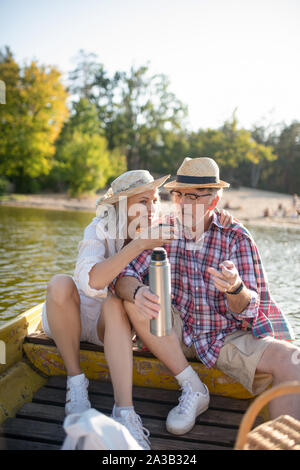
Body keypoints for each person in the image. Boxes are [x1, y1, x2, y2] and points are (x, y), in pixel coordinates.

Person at [42, 167, 234, 448]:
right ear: (123, 206)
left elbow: (197, 219)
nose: (152, 207)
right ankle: (76, 383)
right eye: (143, 202)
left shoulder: (160, 226)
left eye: (155, 200)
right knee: (60, 283)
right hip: (73, 317)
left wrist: (221, 216)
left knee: (117, 300)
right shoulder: (99, 228)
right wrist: (139, 244)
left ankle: (124, 412)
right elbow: (92, 281)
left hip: (111, 326)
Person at [113, 157, 300, 437]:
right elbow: (123, 277)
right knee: (135, 300)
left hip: (223, 337)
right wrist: (138, 291)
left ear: (213, 202)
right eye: (177, 195)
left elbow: (248, 308)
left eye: (192, 196)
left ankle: (284, 442)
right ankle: (192, 387)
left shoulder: (236, 237)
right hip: (173, 333)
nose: (181, 203)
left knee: (293, 360)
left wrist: (235, 288)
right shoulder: (163, 229)